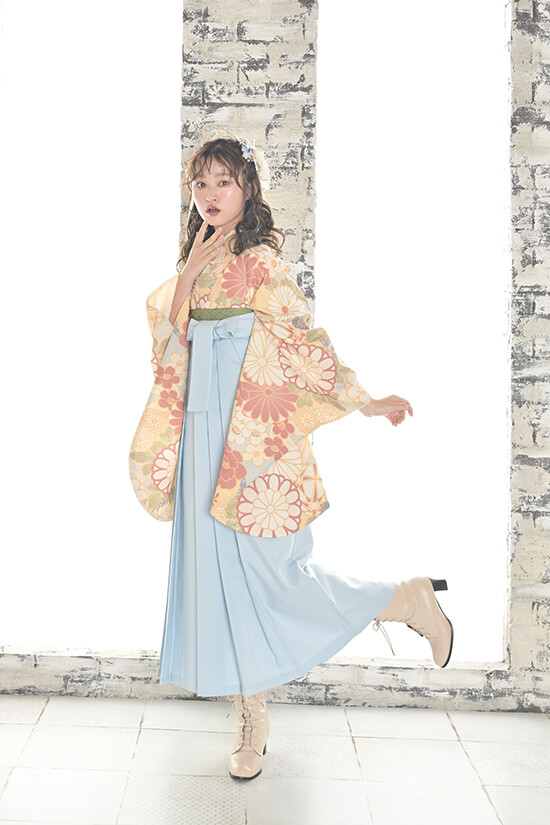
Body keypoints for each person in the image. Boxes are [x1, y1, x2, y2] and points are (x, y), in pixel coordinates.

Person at [128, 128, 454, 782]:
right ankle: (252, 717)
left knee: (271, 577)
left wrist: (364, 400)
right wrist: (188, 273)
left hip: (249, 439)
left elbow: (306, 343)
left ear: (248, 188)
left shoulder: (262, 265)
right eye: (200, 183)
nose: (210, 193)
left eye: (224, 181)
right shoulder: (200, 259)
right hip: (201, 430)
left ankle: (404, 599)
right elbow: (168, 341)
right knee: (218, 581)